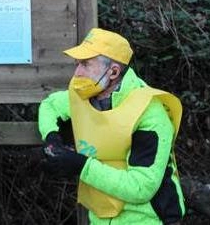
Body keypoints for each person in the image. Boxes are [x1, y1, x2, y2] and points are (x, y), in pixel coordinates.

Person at [38, 28, 185, 224]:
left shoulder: (149, 113)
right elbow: (50, 105)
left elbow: (141, 188)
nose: (77, 73)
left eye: (85, 64)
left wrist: (80, 165)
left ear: (113, 71)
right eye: (77, 64)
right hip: (101, 216)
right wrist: (52, 137)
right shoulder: (84, 96)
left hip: (147, 219)